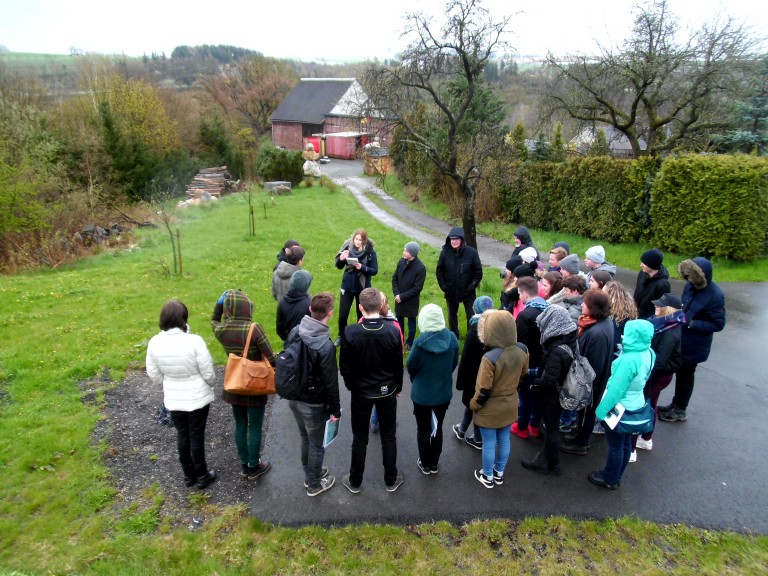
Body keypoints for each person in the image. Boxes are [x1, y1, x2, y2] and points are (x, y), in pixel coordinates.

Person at [146, 299, 217, 489]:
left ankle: (189, 475)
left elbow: (154, 374)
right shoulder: (194, 342)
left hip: (173, 398)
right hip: (197, 398)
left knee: (182, 435)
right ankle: (202, 475)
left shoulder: (155, 343)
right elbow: (208, 372)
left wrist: (170, 382)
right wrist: (210, 384)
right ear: (183, 318)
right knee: (196, 435)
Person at [339, 288, 404, 493]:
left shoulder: (350, 332)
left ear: (360, 308)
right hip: (386, 391)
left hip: (361, 393)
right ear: (381, 306)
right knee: (388, 435)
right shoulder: (393, 330)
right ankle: (391, 479)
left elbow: (345, 367)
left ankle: (355, 481)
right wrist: (397, 388)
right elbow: (397, 366)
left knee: (360, 438)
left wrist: (352, 386)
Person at [211, 289, 275, 480]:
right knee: (255, 426)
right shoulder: (254, 329)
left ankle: (244, 463)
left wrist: (219, 303)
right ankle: (255, 466)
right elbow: (271, 359)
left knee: (240, 423)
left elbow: (214, 320)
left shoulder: (222, 330)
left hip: (234, 383)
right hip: (254, 385)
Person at [285, 292, 341, 497]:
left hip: (294, 397)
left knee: (305, 439)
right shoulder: (325, 346)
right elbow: (331, 383)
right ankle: (315, 484)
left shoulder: (295, 331)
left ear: (310, 310)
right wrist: (336, 410)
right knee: (317, 445)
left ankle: (310, 474)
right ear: (330, 314)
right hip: (314, 404)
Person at [589, 319, 655, 490]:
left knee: (616, 445)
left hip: (620, 408)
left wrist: (601, 411)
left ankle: (609, 478)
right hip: (636, 403)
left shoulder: (629, 360)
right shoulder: (649, 353)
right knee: (626, 443)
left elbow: (616, 390)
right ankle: (617, 476)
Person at [658, 257, 726, 422]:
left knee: (685, 376)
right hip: (682, 339)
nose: (688, 279)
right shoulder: (690, 287)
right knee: (679, 373)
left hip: (695, 345)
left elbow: (718, 324)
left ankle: (680, 409)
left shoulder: (715, 295)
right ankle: (675, 404)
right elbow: (685, 306)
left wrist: (692, 323)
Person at [470, 310, 529, 488]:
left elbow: (483, 389)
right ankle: (498, 473)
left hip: (490, 408)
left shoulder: (490, 358)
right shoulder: (523, 350)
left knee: (489, 443)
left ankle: (487, 476)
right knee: (504, 440)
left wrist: (474, 405)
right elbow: (523, 376)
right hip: (510, 404)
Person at [521, 305, 577, 475]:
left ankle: (551, 464)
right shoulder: (570, 337)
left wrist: (534, 383)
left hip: (553, 396)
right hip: (562, 391)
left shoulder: (556, 350)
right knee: (552, 429)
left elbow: (548, 381)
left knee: (552, 430)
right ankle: (549, 462)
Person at [560, 289, 614, 456]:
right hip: (592, 379)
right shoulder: (601, 322)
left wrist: (585, 385)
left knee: (586, 413)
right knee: (584, 413)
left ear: (594, 307)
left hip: (591, 383)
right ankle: (578, 435)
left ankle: (581, 443)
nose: (582, 305)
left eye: (586, 303)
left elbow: (593, 365)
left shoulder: (597, 332)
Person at [407, 304, 459, 474]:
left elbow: (411, 365)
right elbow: (453, 363)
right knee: (438, 427)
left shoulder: (419, 343)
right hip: (443, 393)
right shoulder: (452, 338)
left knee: (423, 429)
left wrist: (417, 380)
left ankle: (425, 463)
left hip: (422, 395)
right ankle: (434, 463)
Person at [632, 293, 684, 456]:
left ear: (668, 309)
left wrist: (642, 373)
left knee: (642, 406)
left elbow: (660, 361)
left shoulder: (669, 332)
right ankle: (646, 438)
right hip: (657, 372)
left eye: (660, 305)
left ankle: (632, 448)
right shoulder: (662, 323)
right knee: (650, 404)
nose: (656, 306)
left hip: (657, 374)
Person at [453, 295, 495, 450]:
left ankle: (477, 438)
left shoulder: (475, 330)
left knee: (475, 403)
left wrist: (460, 382)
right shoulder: (495, 326)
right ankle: (462, 428)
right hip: (490, 374)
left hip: (474, 375)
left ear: (475, 309)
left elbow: (465, 360)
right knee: (476, 403)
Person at [511, 277, 548, 440]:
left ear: (525, 293)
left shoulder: (525, 315)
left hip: (530, 364)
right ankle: (534, 426)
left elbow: (518, 345)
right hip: (545, 364)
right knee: (539, 397)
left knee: (525, 397)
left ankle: (522, 427)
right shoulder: (548, 308)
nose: (519, 296)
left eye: (519, 293)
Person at [436, 227, 483, 339]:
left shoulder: (472, 253)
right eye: (452, 239)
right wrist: (444, 287)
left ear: (462, 240)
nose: (454, 241)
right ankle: (453, 336)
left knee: (471, 315)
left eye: (456, 239)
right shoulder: (445, 253)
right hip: (450, 291)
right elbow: (439, 271)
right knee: (452, 315)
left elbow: (478, 272)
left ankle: (470, 336)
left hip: (468, 292)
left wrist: (471, 287)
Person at [335, 228, 378, 345]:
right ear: (353, 239)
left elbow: (374, 270)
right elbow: (338, 266)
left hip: (363, 288)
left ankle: (360, 336)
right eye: (356, 239)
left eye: (360, 240)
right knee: (343, 314)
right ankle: (341, 336)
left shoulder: (370, 252)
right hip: (347, 286)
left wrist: (362, 267)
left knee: (361, 314)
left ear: (364, 241)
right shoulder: (347, 248)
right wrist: (341, 259)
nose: (357, 242)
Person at [392, 241, 427, 352]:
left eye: (406, 251)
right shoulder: (401, 262)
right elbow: (394, 278)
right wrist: (397, 294)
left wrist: (402, 296)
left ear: (413, 253)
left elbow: (417, 288)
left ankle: (409, 343)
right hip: (399, 298)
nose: (404, 252)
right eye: (404, 250)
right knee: (399, 321)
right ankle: (400, 340)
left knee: (411, 323)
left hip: (411, 301)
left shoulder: (420, 268)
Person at [634, 248, 671, 319]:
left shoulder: (663, 285)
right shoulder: (642, 273)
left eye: (644, 263)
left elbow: (662, 308)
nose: (640, 265)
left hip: (647, 319)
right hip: (635, 313)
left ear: (652, 265)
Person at [276, 269, 312, 343]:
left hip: (288, 342)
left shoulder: (282, 302)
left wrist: (286, 339)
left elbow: (279, 328)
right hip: (304, 344)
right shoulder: (309, 304)